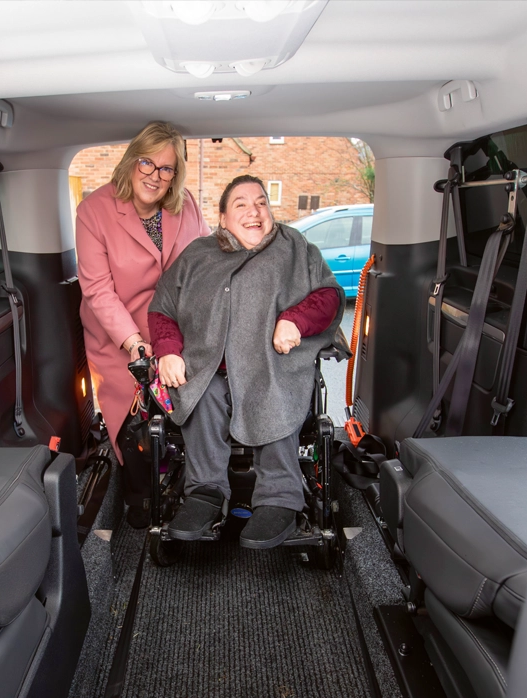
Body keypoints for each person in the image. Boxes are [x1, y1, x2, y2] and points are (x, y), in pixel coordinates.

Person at [148, 175, 345, 549]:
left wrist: (295, 320)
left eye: (261, 203)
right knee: (200, 393)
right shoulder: (197, 255)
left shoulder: (295, 247)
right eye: (241, 204)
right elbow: (163, 308)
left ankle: (280, 497)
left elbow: (329, 295)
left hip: (271, 364)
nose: (254, 211)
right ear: (222, 218)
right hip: (210, 368)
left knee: (271, 388)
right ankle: (205, 491)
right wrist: (168, 350)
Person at [76, 121, 210, 529]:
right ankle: (141, 497)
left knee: (196, 410)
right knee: (132, 426)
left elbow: (207, 261)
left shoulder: (185, 204)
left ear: (176, 174)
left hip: (177, 331)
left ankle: (195, 491)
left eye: (167, 168)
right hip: (120, 335)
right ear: (131, 161)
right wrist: (134, 343)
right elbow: (98, 290)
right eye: (147, 163)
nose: (155, 175)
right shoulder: (94, 210)